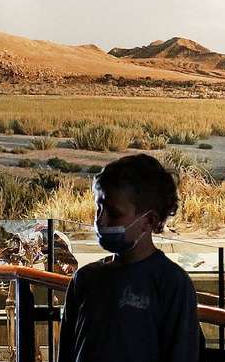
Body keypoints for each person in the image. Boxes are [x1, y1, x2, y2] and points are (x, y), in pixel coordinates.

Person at [58, 153, 200, 362]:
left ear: (149, 220)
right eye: (99, 208)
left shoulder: (172, 283)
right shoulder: (84, 279)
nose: (100, 221)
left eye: (113, 213)